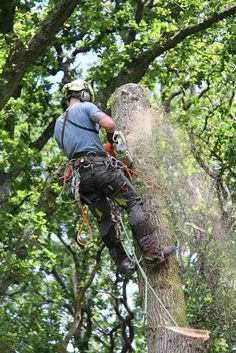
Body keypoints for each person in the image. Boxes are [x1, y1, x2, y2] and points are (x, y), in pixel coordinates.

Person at [54, 78, 176, 277]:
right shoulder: (86, 107)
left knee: (104, 220)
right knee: (133, 203)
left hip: (81, 181)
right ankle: (152, 252)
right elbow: (109, 123)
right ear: (84, 94)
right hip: (101, 171)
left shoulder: (58, 125)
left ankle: (123, 263)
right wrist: (112, 140)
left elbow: (75, 149)